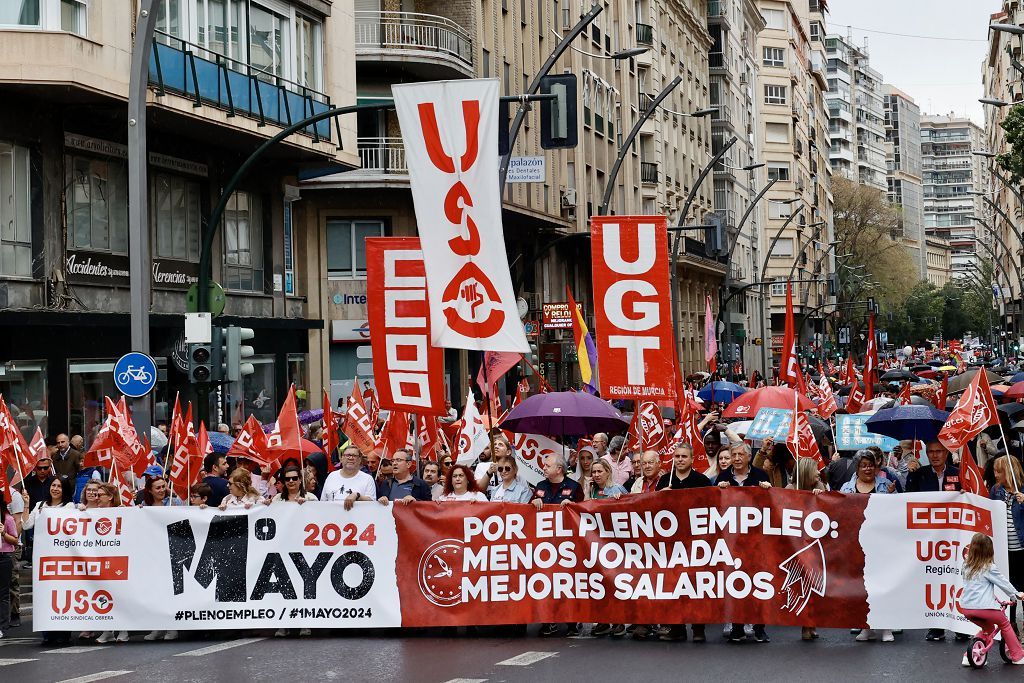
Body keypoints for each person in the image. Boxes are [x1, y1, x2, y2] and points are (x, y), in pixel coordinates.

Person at [905, 440, 964, 642]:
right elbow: (907, 500)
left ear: (946, 453)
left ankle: (960, 624)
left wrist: (966, 494)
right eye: (931, 452)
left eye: (939, 451)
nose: (935, 455)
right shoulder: (919, 474)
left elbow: (972, 496)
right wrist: (910, 474)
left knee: (956, 578)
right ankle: (936, 626)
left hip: (954, 537)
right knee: (934, 580)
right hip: (929, 538)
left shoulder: (958, 473)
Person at [656, 443, 712, 642]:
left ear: (691, 459)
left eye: (683, 457)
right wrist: (660, 496)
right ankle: (676, 628)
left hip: (695, 541)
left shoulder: (702, 480)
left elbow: (712, 509)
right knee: (674, 585)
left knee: (696, 586)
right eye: (677, 456)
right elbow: (651, 509)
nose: (679, 460)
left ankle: (698, 628)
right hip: (670, 542)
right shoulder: (664, 480)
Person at [716, 442, 770, 643]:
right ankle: (737, 626)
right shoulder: (723, 478)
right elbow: (712, 505)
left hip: (756, 540)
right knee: (735, 582)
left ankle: (759, 627)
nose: (737, 458)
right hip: (731, 540)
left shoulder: (760, 476)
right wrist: (718, 490)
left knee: (758, 582)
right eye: (734, 454)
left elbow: (772, 505)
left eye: (740, 455)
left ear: (748, 457)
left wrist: (768, 490)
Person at [839, 450, 895, 642]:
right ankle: (866, 627)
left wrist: (891, 496)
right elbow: (838, 512)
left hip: (882, 545)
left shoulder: (886, 485)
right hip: (857, 546)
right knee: (862, 587)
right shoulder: (847, 488)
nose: (868, 468)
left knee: (883, 586)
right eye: (863, 465)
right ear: (857, 467)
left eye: (870, 464)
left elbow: (898, 512)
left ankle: (886, 627)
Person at [532, 453, 584, 637]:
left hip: (567, 544)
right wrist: (533, 502)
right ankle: (548, 620)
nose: (544, 468)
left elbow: (584, 511)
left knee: (568, 582)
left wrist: (573, 505)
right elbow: (529, 513)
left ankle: (572, 621)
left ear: (559, 469)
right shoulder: (540, 486)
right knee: (546, 583)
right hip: (545, 544)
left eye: (547, 465)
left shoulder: (574, 487)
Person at [959, 532, 1024, 666]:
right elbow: (1004, 583)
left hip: (966, 608)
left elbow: (974, 587)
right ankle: (1018, 656)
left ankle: (968, 657)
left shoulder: (966, 565)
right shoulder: (988, 567)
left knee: (987, 629)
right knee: (1005, 624)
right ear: (989, 551)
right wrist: (1016, 594)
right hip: (984, 608)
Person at [990, 455, 1024, 632]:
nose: (995, 474)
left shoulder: (1023, 490)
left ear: (1009, 472)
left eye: (999, 471)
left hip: (1021, 549)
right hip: (1004, 550)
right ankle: (1010, 626)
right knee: (1008, 589)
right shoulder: (996, 490)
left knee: (1023, 588)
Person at [0, 498, 19, 640]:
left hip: (4, 557)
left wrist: (3, 533)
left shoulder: (7, 519)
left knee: (3, 593)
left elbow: (15, 540)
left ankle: (2, 626)